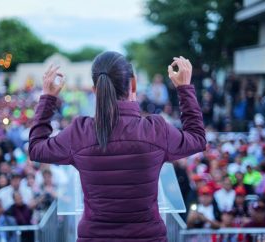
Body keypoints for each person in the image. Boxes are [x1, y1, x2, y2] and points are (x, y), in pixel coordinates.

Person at [29, 52, 206, 241]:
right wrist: (184, 89)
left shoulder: (80, 132)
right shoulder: (155, 130)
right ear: (134, 84)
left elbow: (36, 148)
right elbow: (197, 138)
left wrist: (47, 98)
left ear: (95, 90)